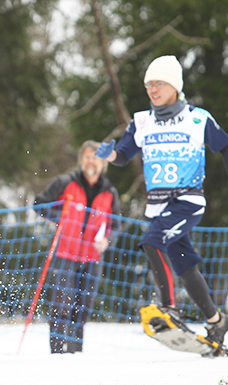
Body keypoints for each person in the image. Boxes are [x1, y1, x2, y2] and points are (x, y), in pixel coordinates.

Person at [95, 55, 228, 350]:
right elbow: (124, 154)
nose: (153, 89)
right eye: (149, 85)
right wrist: (110, 154)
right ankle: (216, 320)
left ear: (175, 86)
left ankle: (170, 308)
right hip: (158, 206)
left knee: (153, 242)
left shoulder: (198, 118)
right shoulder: (141, 121)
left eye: (159, 83)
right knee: (185, 266)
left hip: (187, 201)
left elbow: (224, 145)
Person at [34, 141, 120, 354]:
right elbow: (39, 204)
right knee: (62, 303)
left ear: (103, 163)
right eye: (88, 157)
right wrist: (59, 217)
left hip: (92, 257)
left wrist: (107, 240)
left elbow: (115, 225)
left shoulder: (110, 192)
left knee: (83, 306)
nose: (91, 162)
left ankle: (75, 351)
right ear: (81, 159)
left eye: (96, 158)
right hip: (65, 253)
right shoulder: (65, 182)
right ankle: (57, 351)